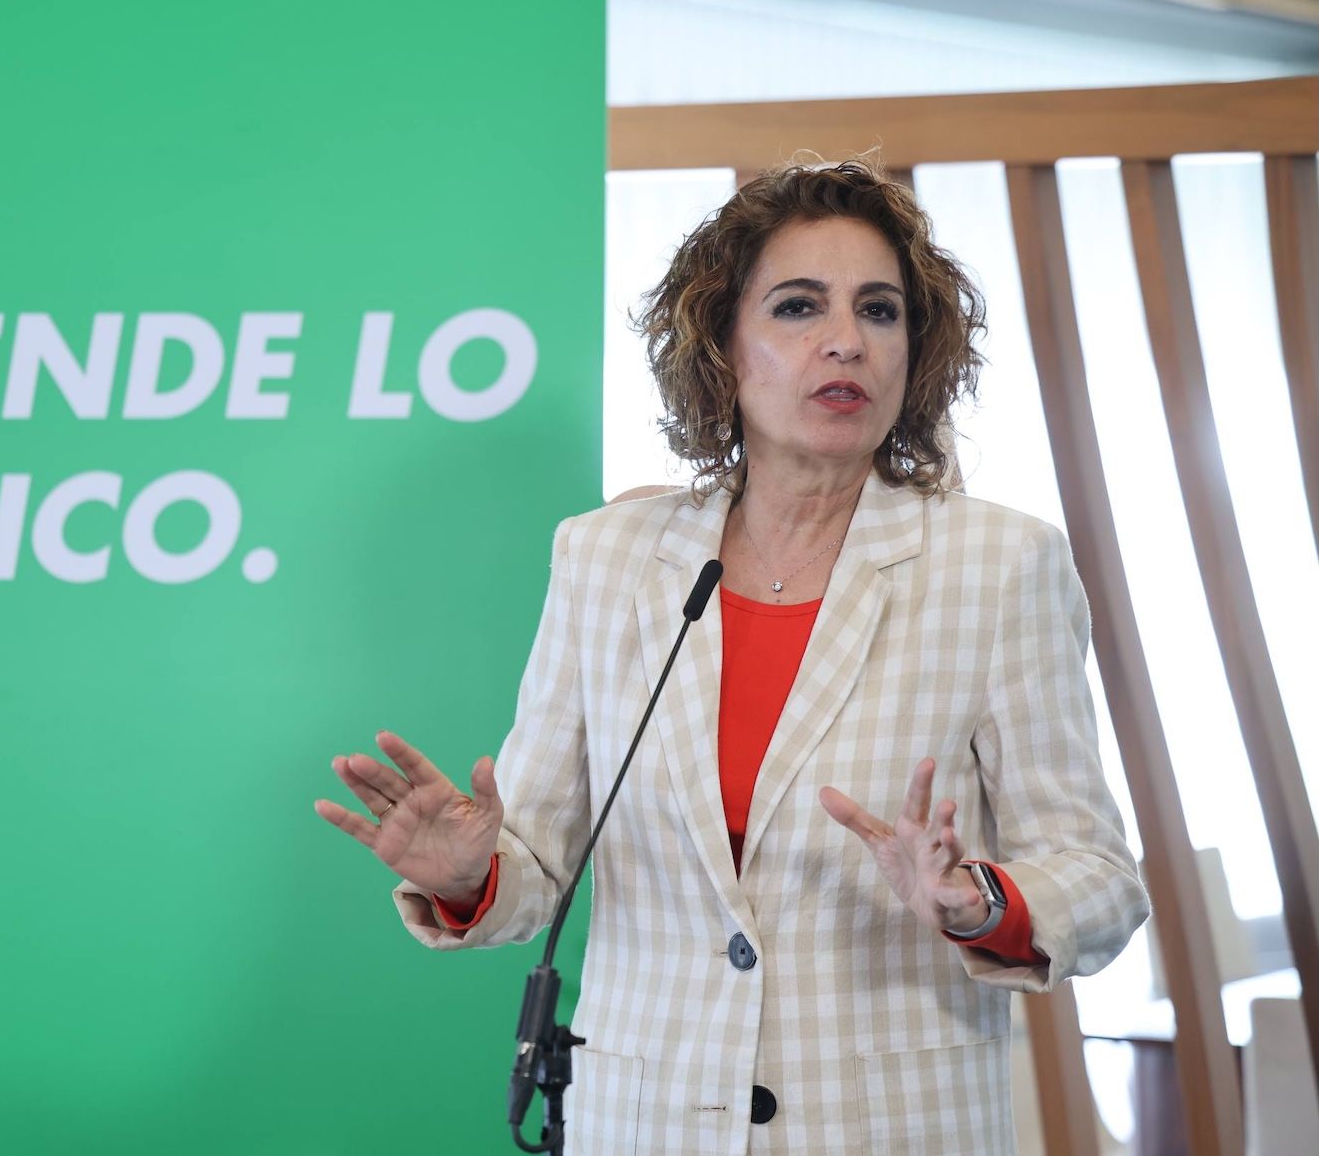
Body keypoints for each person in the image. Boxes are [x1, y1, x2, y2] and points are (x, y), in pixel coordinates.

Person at [314, 160, 1148, 1155]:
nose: (846, 340)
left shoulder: (1000, 565)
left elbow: (1100, 879)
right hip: (645, 1123)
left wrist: (979, 905)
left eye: (878, 311)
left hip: (889, 1128)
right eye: (798, 306)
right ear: (720, 346)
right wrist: (468, 878)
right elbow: (535, 864)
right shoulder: (606, 559)